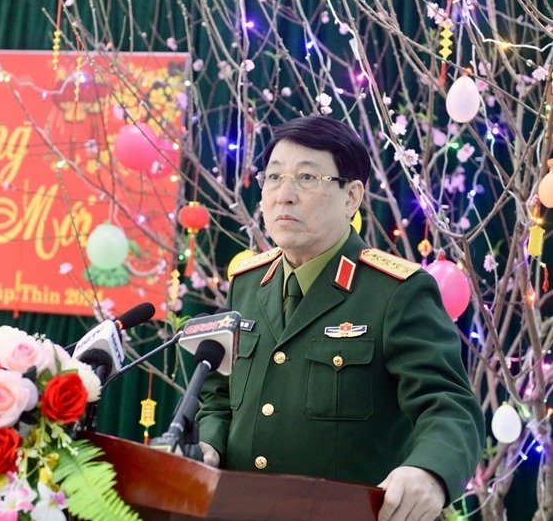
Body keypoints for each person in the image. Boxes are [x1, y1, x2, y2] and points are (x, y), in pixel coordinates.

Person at [196, 115, 485, 521]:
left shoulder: (396, 291)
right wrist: (208, 446)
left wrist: (429, 473)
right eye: (274, 177)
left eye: (307, 178)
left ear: (351, 197)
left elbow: (449, 405)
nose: (285, 195)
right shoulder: (247, 284)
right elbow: (220, 398)